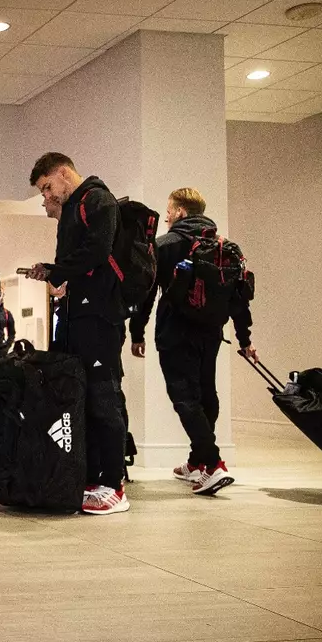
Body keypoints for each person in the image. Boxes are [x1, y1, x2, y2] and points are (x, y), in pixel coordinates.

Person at [130, 187, 257, 497]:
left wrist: (137, 332)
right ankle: (197, 462)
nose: (167, 217)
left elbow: (147, 293)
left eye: (169, 211)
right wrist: (244, 339)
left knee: (184, 397)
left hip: (175, 332)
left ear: (180, 212)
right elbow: (239, 298)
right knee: (206, 394)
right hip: (211, 332)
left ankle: (213, 464)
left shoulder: (165, 245)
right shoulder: (226, 247)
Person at [24, 152, 130, 515]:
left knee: (104, 398)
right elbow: (79, 259)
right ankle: (95, 477)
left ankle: (114, 485)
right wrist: (55, 272)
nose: (47, 195)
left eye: (47, 187)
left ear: (63, 173)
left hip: (100, 316)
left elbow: (97, 250)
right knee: (85, 399)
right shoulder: (73, 209)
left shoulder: (98, 200)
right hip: (78, 315)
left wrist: (56, 270)